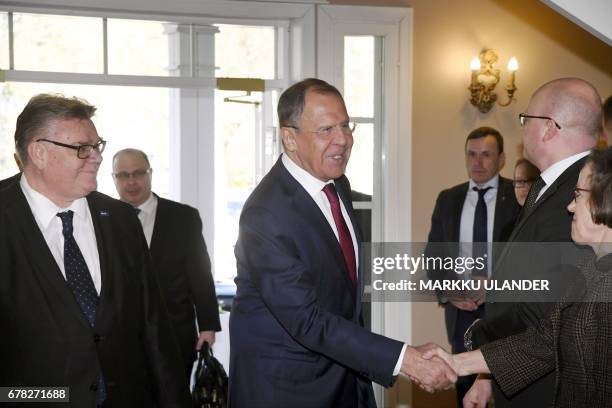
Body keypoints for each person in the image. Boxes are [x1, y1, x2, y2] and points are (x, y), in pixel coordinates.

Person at [228, 78, 456, 408]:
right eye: (326, 130)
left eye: (346, 126)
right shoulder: (266, 214)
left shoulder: (337, 185)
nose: (343, 140)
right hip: (289, 390)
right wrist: (404, 358)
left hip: (346, 380)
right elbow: (306, 320)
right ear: (290, 139)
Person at [0, 94, 191, 407]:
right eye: (81, 149)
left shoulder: (120, 219)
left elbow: (154, 327)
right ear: (39, 152)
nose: (97, 157)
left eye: (97, 145)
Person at [424, 148, 612, 407]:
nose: (569, 206)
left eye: (578, 195)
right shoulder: (592, 270)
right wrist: (457, 362)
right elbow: (544, 342)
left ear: (605, 200)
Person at [462, 78, 602, 407]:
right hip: (520, 378)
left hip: (549, 387)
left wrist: (475, 348)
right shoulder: (551, 185)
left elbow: (548, 313)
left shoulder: (583, 197)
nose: (522, 129)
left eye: (526, 119)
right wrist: (487, 378)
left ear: (549, 128)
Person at [425, 126, 519, 406]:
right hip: (462, 315)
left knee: (509, 388)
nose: (477, 162)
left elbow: (528, 258)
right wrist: (449, 291)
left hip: (508, 312)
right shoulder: (448, 198)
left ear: (501, 159)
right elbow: (434, 256)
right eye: (472, 154)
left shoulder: (518, 197)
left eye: (486, 155)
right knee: (467, 394)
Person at [112, 148, 221, 376]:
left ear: (150, 173)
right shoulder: (104, 218)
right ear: (114, 179)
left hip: (174, 333)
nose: (131, 182)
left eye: (138, 173)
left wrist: (208, 325)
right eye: (123, 175)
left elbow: (200, 274)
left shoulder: (183, 217)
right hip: (122, 337)